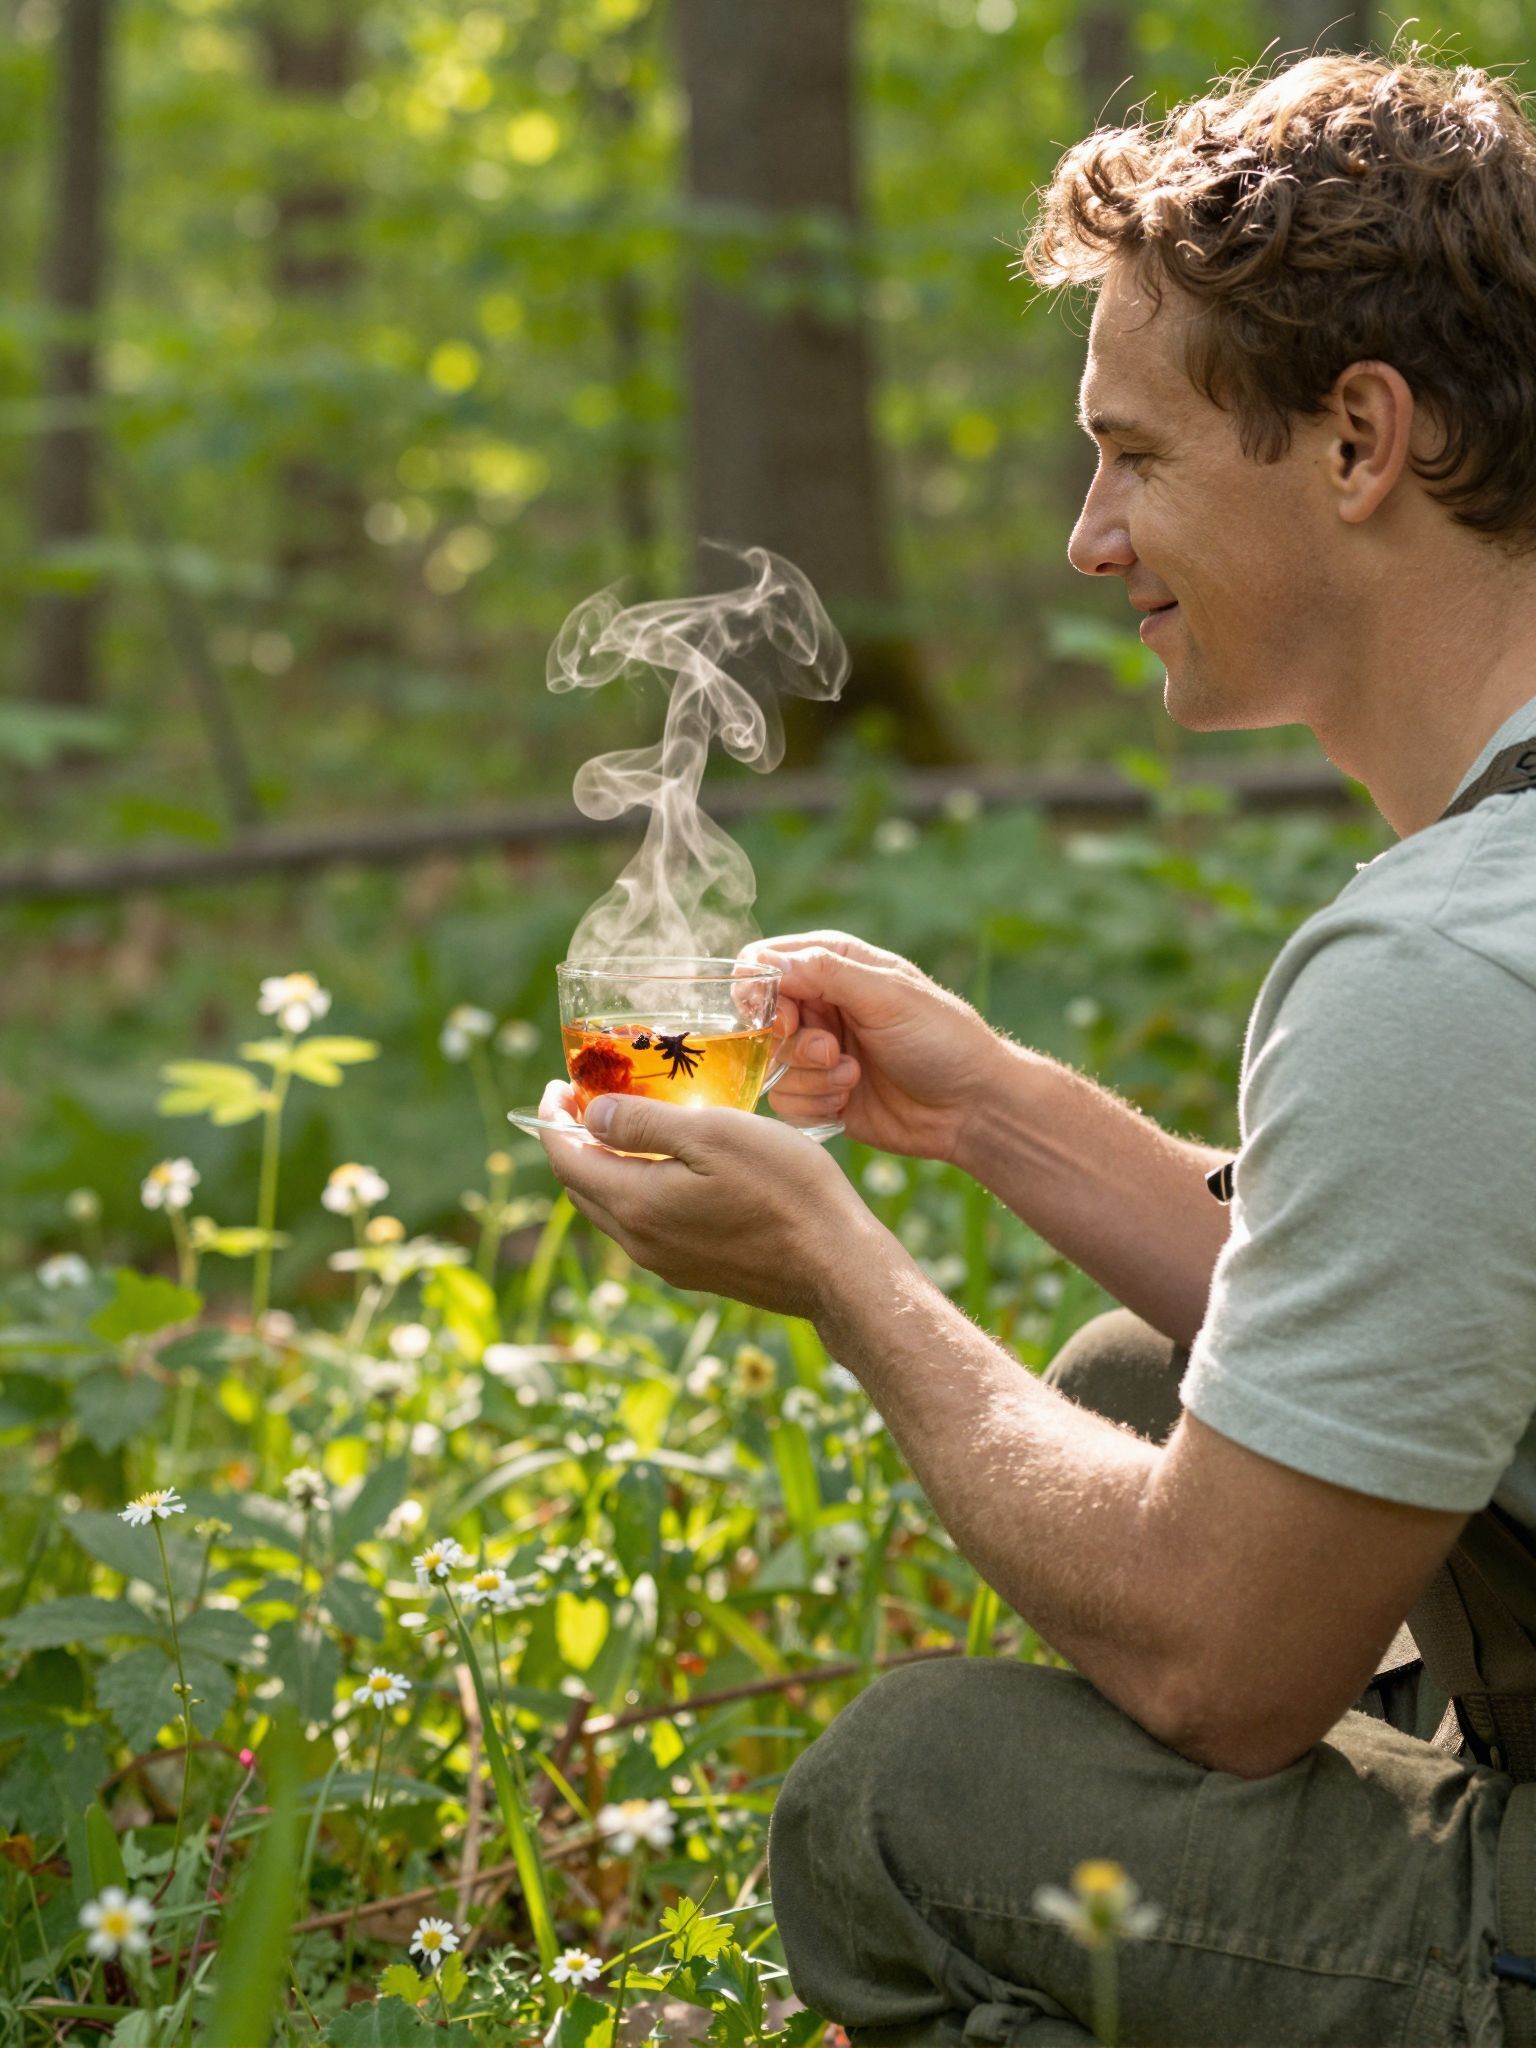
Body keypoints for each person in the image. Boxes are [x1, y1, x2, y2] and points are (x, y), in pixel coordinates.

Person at [538, 49, 1536, 2045]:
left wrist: (843, 1268)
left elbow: (1221, 1665)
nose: (1089, 539)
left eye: (1135, 454)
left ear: (1359, 440)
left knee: (897, 1804)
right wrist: (982, 1103)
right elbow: (1446, 1262)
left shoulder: (1446, 964)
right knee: (1140, 1380)